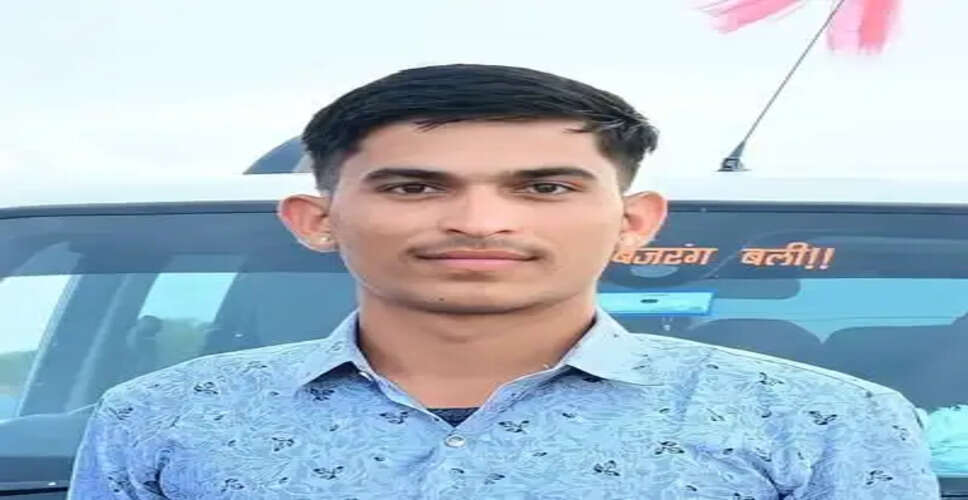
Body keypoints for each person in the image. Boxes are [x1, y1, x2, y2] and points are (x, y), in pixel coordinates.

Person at [68, 64, 939, 499]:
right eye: (415, 187)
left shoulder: (824, 422)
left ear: (635, 220)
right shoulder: (162, 419)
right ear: (315, 218)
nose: (480, 221)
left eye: (544, 188)